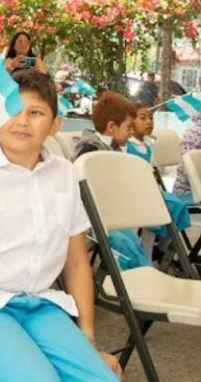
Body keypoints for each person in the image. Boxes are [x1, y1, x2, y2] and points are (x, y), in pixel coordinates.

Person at [0, 70, 121, 382]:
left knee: (103, 379)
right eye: (12, 110)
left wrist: (86, 335)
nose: (21, 121)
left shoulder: (64, 173)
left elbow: (76, 262)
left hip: (39, 304)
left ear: (55, 125)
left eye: (35, 113)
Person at [73, 92, 151, 270]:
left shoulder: (112, 149)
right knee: (123, 242)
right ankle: (131, 285)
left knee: (131, 240)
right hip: (89, 219)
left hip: (107, 215)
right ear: (111, 127)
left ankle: (142, 276)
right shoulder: (90, 151)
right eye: (129, 127)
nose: (132, 132)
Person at [126, 103, 191, 257]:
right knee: (155, 211)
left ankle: (163, 247)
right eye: (142, 118)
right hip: (135, 193)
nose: (149, 122)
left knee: (177, 206)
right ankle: (148, 252)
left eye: (150, 118)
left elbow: (150, 172)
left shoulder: (148, 147)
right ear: (130, 122)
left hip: (151, 190)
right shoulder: (126, 146)